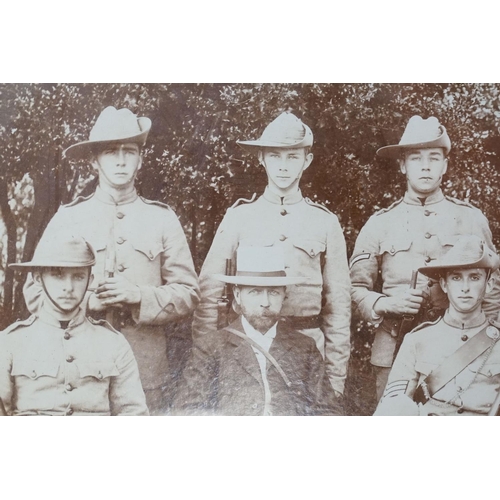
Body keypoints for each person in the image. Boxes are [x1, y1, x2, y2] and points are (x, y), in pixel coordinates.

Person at [23, 106, 200, 414]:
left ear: (140, 159)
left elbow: (188, 293)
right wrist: (84, 304)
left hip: (145, 371)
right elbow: (34, 292)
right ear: (94, 161)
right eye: (110, 152)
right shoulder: (69, 218)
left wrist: (139, 297)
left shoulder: (162, 219)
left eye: (129, 151)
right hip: (79, 370)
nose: (120, 160)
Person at [192, 111, 351, 399]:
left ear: (307, 160)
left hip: (307, 349)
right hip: (246, 347)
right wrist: (207, 361)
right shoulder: (239, 217)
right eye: (275, 156)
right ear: (261, 158)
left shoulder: (325, 222)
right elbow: (209, 293)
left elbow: (338, 307)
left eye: (293, 157)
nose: (283, 166)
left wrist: (336, 378)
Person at [350, 115, 500, 401]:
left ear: (445, 164)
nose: (426, 166)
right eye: (416, 158)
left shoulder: (470, 219)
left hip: (461, 347)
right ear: (403, 165)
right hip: (394, 345)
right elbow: (354, 289)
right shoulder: (380, 223)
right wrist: (386, 303)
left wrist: (487, 345)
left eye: (434, 158)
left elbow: (493, 291)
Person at [175, 247, 341, 416]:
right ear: (238, 295)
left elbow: (328, 412)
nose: (265, 302)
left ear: (285, 295)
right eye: (255, 292)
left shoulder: (305, 347)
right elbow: (188, 411)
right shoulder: (210, 347)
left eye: (274, 292)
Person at [0, 235, 148, 416]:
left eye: (78, 277)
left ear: (90, 280)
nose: (68, 287)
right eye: (57, 275)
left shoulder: (113, 343)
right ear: (38, 278)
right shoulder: (10, 342)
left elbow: (134, 415)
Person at [375, 235, 500, 416]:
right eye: (456, 278)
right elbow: (393, 408)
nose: (465, 287)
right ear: (444, 284)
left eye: (474, 277)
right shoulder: (417, 340)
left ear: (489, 284)